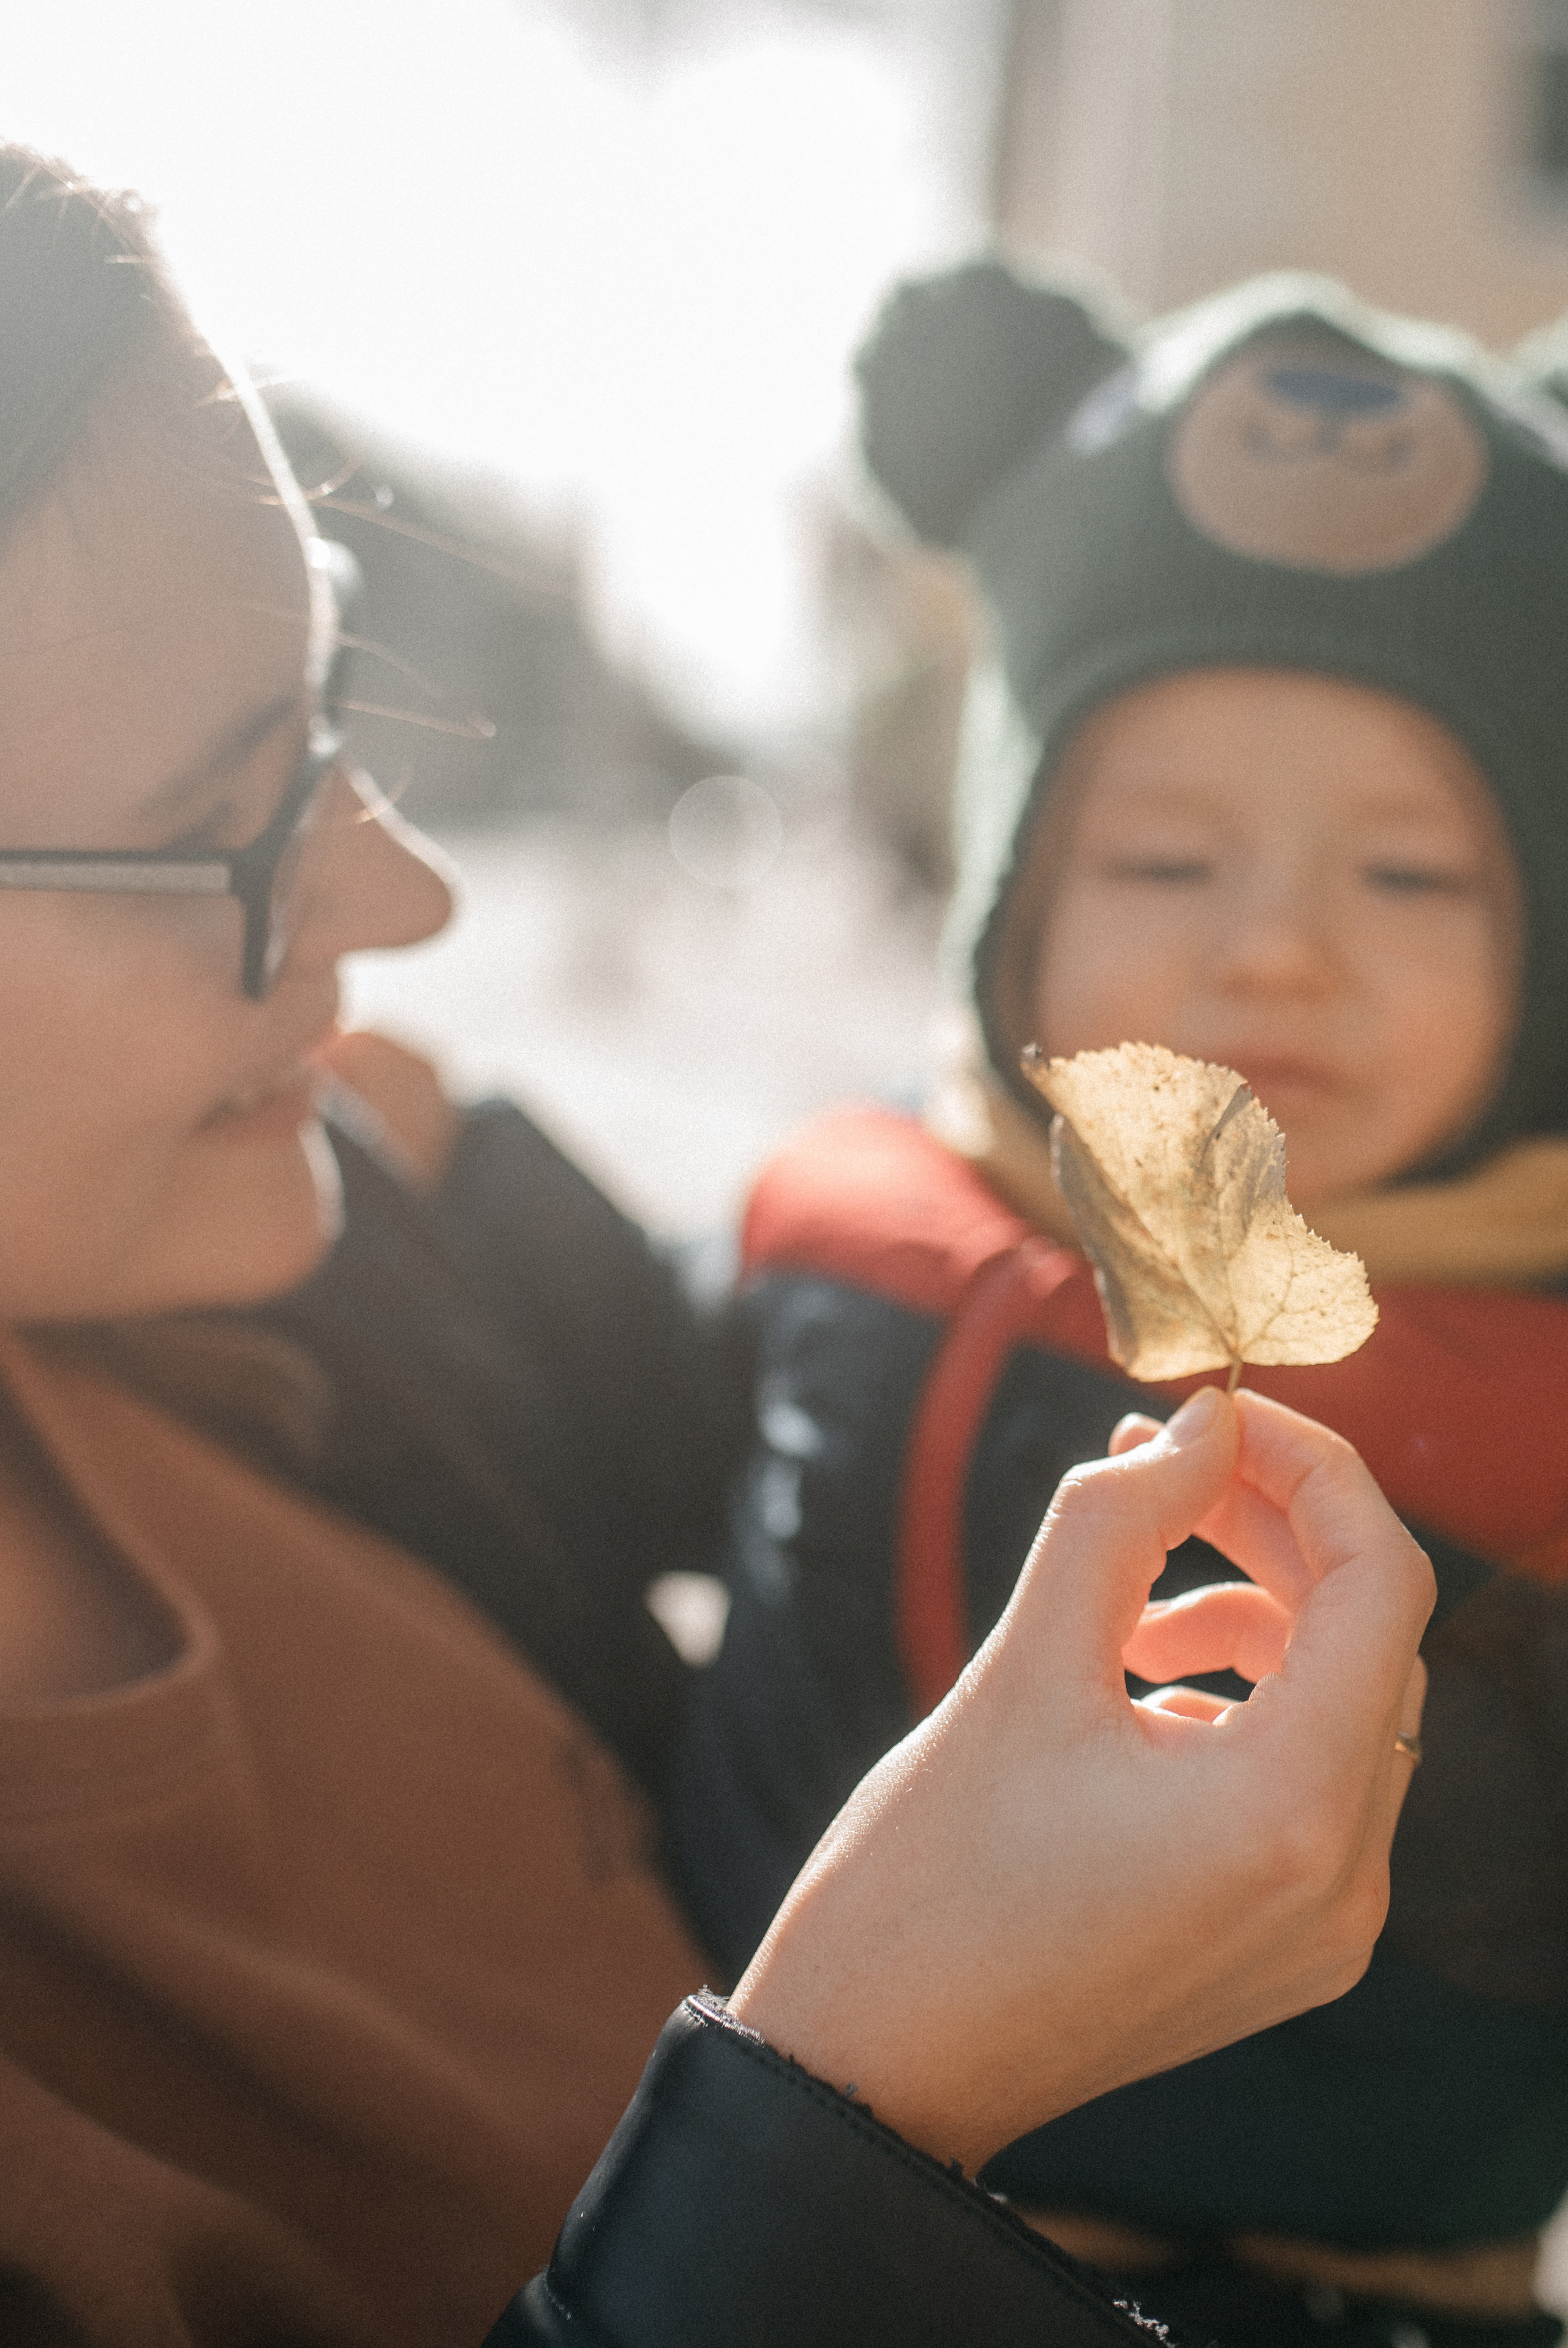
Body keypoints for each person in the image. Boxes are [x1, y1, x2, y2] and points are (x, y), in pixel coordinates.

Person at [0, 151, 1431, 2348]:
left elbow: (863, 1388)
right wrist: (863, 2106)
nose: (408, 902)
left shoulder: (347, 1224)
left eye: (332, 723)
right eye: (224, 827)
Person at [676, 258, 1568, 2347]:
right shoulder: (848, 1226)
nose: (1275, 952)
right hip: (741, 2229)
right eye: (1165, 861)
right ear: (1014, 898)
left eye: (1414, 877)